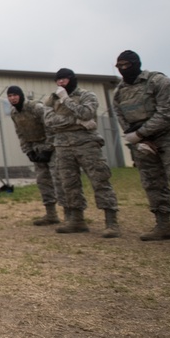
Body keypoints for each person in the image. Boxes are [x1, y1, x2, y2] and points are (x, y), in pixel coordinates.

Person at [112, 51, 170, 241]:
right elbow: (121, 117)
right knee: (152, 183)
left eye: (127, 65)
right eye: (120, 67)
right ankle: (163, 225)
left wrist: (141, 132)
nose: (124, 69)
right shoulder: (119, 92)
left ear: (137, 64)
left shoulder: (158, 82)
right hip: (144, 143)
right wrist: (138, 138)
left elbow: (169, 113)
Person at [44, 68, 120, 237]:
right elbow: (49, 121)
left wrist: (67, 100)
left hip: (86, 144)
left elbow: (87, 113)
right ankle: (77, 220)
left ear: (72, 79)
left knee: (100, 180)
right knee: (69, 184)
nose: (61, 83)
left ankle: (111, 222)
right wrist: (77, 120)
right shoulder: (51, 99)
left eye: (64, 79)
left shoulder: (87, 95)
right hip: (63, 146)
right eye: (58, 80)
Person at [7, 85, 64, 225]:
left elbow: (50, 126)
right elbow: (20, 133)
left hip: (50, 147)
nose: (12, 98)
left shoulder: (36, 107)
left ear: (20, 95)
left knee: (59, 179)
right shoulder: (14, 113)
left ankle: (70, 214)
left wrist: (48, 148)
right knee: (43, 181)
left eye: (15, 95)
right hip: (35, 147)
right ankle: (51, 214)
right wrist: (28, 151)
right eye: (10, 96)